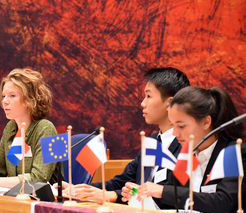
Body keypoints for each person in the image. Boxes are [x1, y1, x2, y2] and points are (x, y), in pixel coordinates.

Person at [57, 67, 190, 203]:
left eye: (149, 96)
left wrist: (115, 195)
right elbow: (121, 182)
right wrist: (77, 189)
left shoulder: (186, 144)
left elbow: (170, 193)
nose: (142, 103)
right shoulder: (153, 141)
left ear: (170, 103)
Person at [122, 86, 246, 213]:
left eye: (181, 126)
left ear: (206, 122)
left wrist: (162, 191)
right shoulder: (188, 154)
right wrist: (142, 193)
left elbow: (222, 203)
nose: (175, 133)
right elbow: (170, 198)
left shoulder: (234, 152)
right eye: (172, 125)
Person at [0, 68, 62, 188]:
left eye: (12, 96)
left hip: (46, 202)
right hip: (17, 198)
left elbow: (38, 179)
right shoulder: (10, 128)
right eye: (3, 96)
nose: (4, 101)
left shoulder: (46, 129)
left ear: (30, 100)